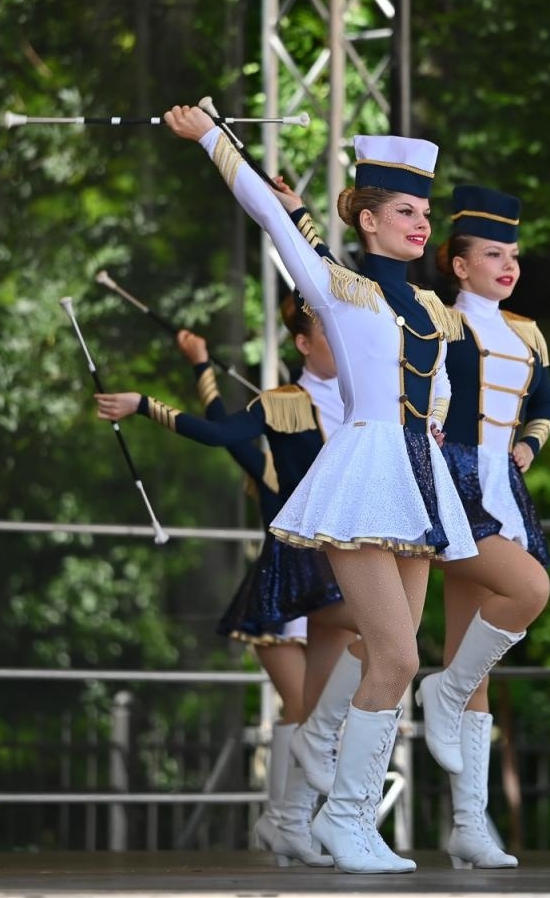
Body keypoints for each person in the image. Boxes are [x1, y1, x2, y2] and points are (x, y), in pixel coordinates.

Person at [164, 105, 475, 874]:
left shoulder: (434, 309)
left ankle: (350, 820)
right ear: (367, 220)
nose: (421, 224)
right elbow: (270, 215)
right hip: (367, 472)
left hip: (417, 478)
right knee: (398, 657)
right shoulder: (337, 287)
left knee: (392, 656)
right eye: (406, 211)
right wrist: (210, 137)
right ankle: (342, 818)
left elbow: (438, 395)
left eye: (426, 212)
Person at [96, 307, 355, 868]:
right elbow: (220, 429)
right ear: (304, 344)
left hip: (344, 567)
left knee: (314, 712)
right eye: (332, 337)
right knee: (304, 709)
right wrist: (156, 397)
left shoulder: (367, 406)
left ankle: (286, 821)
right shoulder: (282, 407)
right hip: (293, 576)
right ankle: (289, 822)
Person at [425, 185, 550, 869]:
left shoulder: (527, 332)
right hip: (452, 480)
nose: (509, 264)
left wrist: (528, 446)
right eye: (493, 254)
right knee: (529, 589)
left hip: (504, 486)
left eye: (514, 254)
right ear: (459, 263)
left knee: (472, 663)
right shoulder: (438, 321)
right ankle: (437, 694)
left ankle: (469, 824)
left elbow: (544, 402)